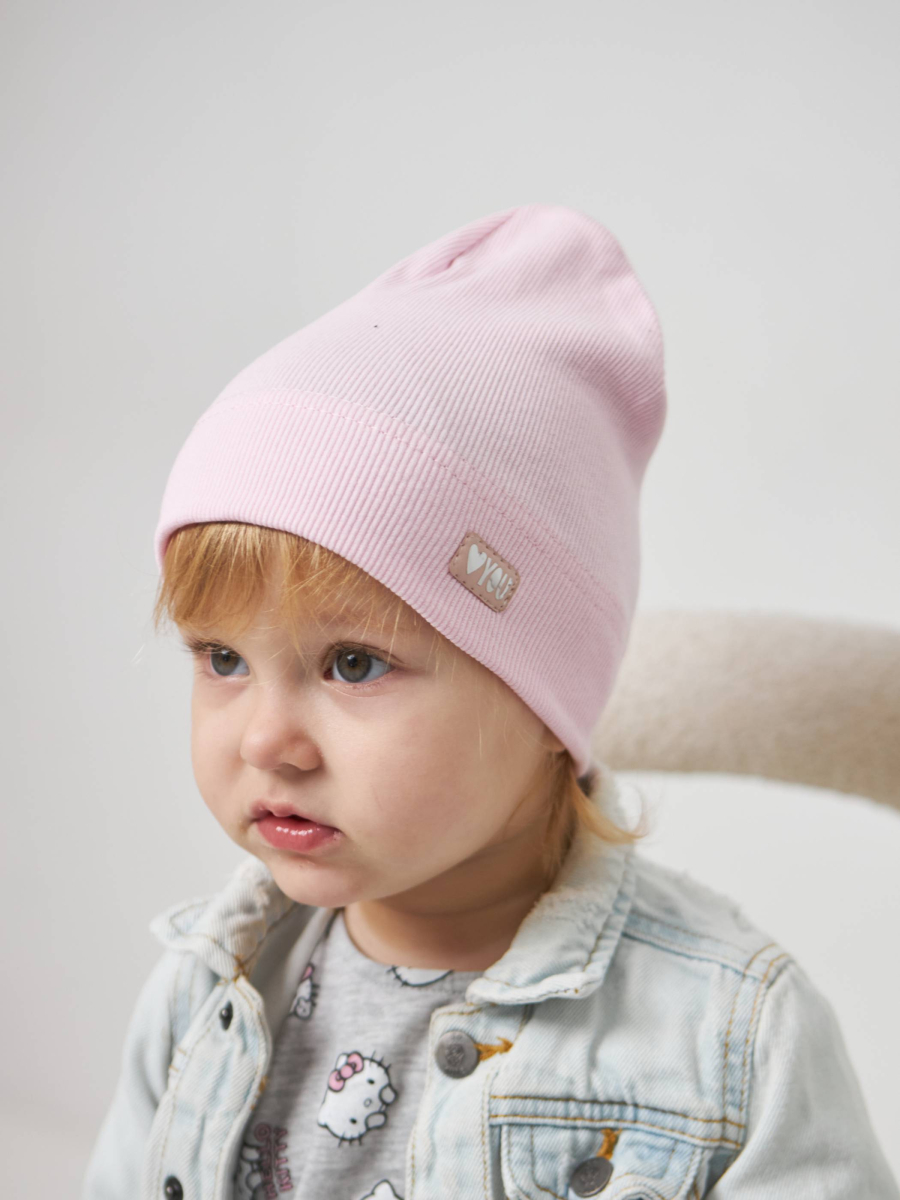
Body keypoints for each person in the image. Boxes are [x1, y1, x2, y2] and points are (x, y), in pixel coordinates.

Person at [82, 204, 899, 1200]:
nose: (265, 740)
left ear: (544, 701)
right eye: (222, 658)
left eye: (352, 665)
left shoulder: (732, 1041)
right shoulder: (207, 990)